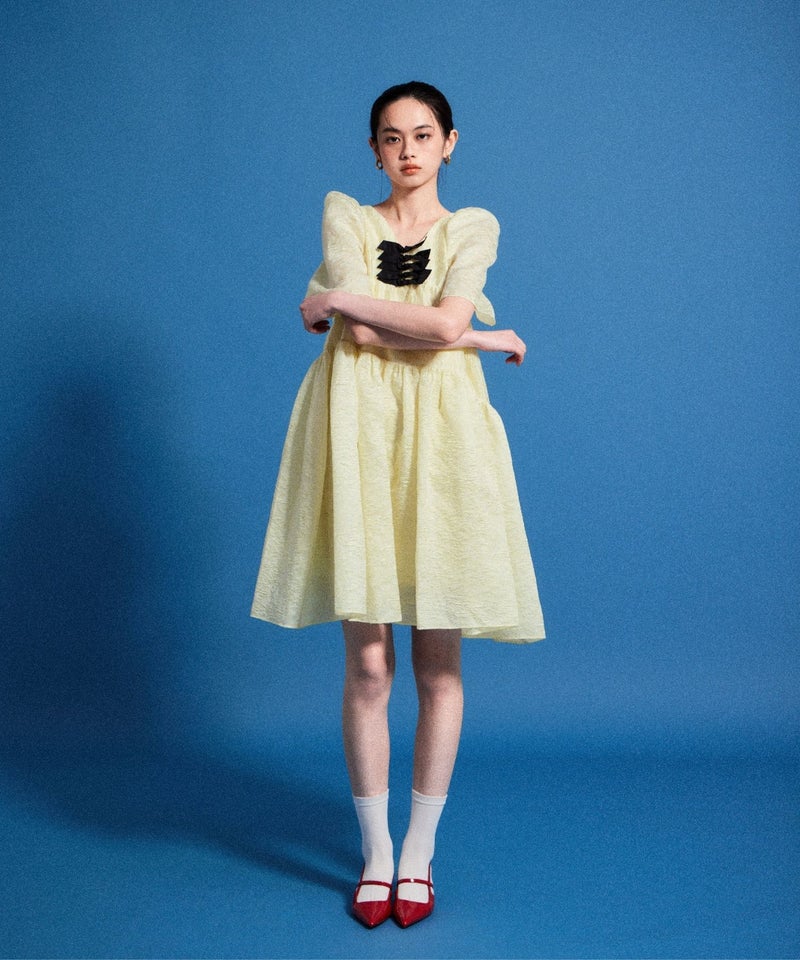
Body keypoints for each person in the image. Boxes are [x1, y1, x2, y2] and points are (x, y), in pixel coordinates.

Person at [251, 81, 544, 928]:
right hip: (359, 428)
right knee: (371, 664)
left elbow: (429, 326)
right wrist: (472, 333)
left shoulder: (473, 227)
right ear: (374, 149)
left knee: (438, 663)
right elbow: (378, 338)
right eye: (391, 136)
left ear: (450, 141)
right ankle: (377, 853)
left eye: (422, 134)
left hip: (445, 436)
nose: (408, 150)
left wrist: (339, 300)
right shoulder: (345, 217)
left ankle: (419, 854)